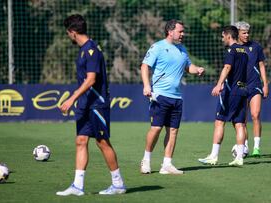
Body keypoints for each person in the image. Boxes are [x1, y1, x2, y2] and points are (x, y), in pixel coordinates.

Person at [56, 14, 126, 196]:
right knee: (80, 141)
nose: (68, 36)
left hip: (97, 104)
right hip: (85, 104)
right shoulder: (83, 50)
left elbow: (91, 79)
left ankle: (118, 184)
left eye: (67, 33)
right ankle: (77, 186)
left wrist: (71, 99)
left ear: (72, 32)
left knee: (102, 142)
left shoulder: (91, 50)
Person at [140, 19, 205, 175]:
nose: (183, 34)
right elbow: (144, 66)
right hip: (160, 96)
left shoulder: (182, 49)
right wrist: (146, 85)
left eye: (183, 31)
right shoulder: (158, 47)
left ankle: (167, 165)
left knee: (173, 131)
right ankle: (146, 160)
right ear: (170, 32)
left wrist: (197, 69)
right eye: (180, 31)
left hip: (177, 98)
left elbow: (188, 67)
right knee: (156, 128)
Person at [198, 25, 248, 166]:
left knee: (220, 121)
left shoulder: (231, 50)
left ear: (228, 35)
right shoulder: (244, 50)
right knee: (239, 124)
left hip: (231, 91)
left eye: (222, 36)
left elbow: (227, 67)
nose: (222, 39)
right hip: (243, 90)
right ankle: (239, 158)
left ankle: (213, 156)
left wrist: (219, 84)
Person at [235, 21, 269, 157]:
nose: (247, 35)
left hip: (255, 84)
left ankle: (257, 148)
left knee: (255, 115)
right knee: (242, 119)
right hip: (240, 86)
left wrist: (265, 84)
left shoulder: (256, 47)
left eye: (248, 32)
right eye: (244, 33)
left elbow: (261, 66)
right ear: (237, 33)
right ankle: (245, 146)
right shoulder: (234, 48)